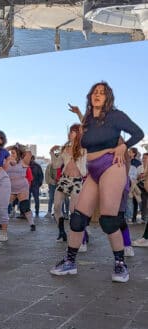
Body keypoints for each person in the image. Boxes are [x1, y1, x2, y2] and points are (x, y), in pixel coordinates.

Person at [50, 82, 143, 282]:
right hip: (93, 170)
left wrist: (123, 146)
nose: (97, 95)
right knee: (77, 218)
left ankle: (120, 265)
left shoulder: (116, 116)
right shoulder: (89, 120)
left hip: (112, 166)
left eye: (102, 92)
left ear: (108, 97)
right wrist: (78, 113)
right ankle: (70, 262)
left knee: (108, 220)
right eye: (94, 92)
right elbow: (84, 135)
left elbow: (138, 133)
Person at [49, 124, 87, 243]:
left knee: (73, 210)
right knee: (56, 207)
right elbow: (56, 165)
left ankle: (82, 233)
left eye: (73, 132)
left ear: (78, 134)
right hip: (64, 180)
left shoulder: (84, 149)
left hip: (76, 182)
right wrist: (51, 152)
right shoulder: (65, 149)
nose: (69, 134)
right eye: (69, 132)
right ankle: (61, 232)